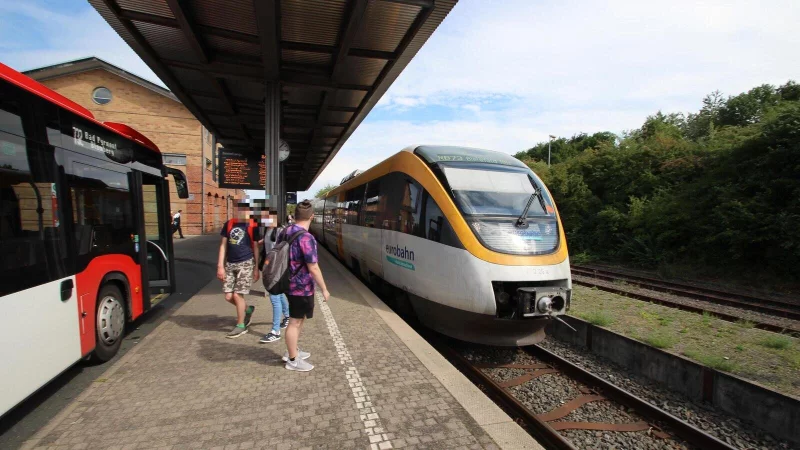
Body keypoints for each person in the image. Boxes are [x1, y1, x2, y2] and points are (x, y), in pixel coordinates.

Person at [277, 200, 329, 372]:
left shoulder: (285, 231)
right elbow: (313, 267)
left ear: (295, 215)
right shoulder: (306, 238)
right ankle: (292, 360)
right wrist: (324, 288)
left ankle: (294, 350)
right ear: (312, 216)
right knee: (295, 321)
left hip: (287, 283)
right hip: (300, 287)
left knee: (299, 319)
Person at [217, 204, 260, 338]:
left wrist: (256, 268)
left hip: (246, 262)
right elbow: (223, 245)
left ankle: (241, 326)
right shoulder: (229, 224)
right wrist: (220, 266)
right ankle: (247, 310)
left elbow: (256, 247)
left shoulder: (253, 225)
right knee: (228, 296)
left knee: (237, 295)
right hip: (230, 263)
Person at [259, 219, 290, 343]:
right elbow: (267, 247)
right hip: (269, 267)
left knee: (274, 297)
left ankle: (275, 331)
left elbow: (284, 248)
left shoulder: (280, 231)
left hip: (276, 269)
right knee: (279, 294)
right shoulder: (267, 230)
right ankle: (287, 316)